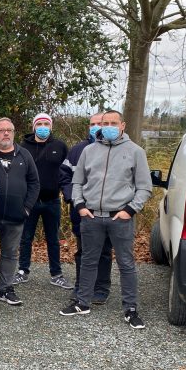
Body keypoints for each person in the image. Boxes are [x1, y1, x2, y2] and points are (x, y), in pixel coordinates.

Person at [61, 109, 152, 328]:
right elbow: (77, 182)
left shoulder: (135, 152)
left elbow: (144, 187)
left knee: (126, 264)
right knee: (88, 261)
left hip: (120, 218)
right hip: (91, 217)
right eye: (105, 123)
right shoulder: (89, 151)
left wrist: (130, 210)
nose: (108, 126)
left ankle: (130, 309)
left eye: (113, 122)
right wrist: (80, 205)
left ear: (123, 125)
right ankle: (82, 302)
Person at [0, 117, 40, 306]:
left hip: (16, 216)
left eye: (10, 130)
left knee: (11, 253)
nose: (6, 133)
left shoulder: (24, 155)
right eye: (1, 130)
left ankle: (5, 289)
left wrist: (27, 208)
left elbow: (34, 182)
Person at [59, 112, 113, 304]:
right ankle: (81, 286)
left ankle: (101, 288)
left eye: (100, 123)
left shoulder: (114, 149)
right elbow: (64, 176)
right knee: (83, 251)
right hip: (81, 211)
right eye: (92, 123)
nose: (96, 126)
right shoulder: (77, 150)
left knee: (104, 252)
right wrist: (73, 198)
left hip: (107, 211)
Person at [15, 112, 72, 289]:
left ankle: (56, 273)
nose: (43, 128)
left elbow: (67, 171)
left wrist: (66, 192)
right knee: (26, 237)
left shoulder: (60, 146)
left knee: (53, 238)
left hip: (52, 200)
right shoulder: (23, 147)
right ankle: (23, 270)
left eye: (46, 125)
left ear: (51, 126)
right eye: (39, 124)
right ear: (34, 127)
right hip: (30, 201)